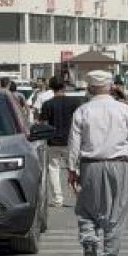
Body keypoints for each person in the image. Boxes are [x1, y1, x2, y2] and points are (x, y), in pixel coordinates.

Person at [67, 70, 128, 256]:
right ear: (111, 87)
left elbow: (74, 143)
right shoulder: (125, 110)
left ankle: (90, 242)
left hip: (90, 165)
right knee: (118, 210)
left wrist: (72, 168)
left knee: (86, 209)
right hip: (120, 164)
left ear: (90, 88)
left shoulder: (83, 111)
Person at [39, 76, 87, 207]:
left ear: (51, 88)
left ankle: (58, 199)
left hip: (53, 141)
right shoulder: (75, 102)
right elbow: (81, 121)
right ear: (64, 87)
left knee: (54, 169)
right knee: (74, 168)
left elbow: (43, 124)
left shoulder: (47, 104)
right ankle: (80, 196)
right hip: (71, 141)